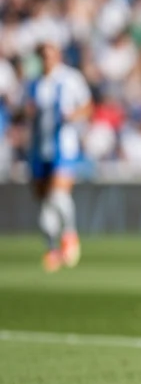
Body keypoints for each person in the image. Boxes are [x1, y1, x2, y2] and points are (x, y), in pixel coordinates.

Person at [21, 41, 91, 272]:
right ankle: (51, 248)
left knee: (59, 193)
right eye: (44, 56)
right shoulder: (34, 84)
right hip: (38, 149)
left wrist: (74, 116)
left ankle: (70, 234)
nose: (48, 60)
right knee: (45, 201)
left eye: (51, 55)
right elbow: (24, 112)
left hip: (64, 146)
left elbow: (87, 106)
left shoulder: (70, 79)